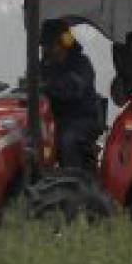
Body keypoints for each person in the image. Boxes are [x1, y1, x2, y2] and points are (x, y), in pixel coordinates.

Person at [38, 19, 102, 170]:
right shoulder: (43, 68)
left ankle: (74, 183)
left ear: (64, 42)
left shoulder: (81, 64)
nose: (45, 51)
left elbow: (73, 87)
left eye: (49, 45)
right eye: (43, 46)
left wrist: (46, 86)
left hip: (80, 120)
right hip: (48, 121)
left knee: (68, 139)